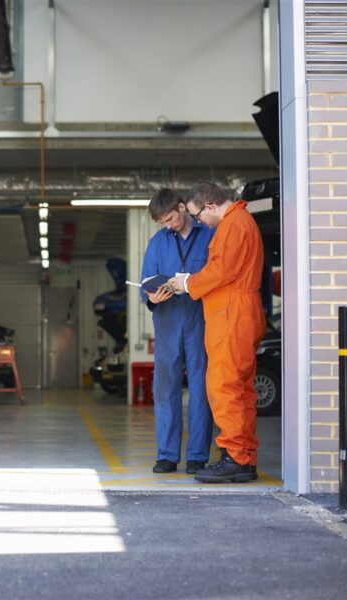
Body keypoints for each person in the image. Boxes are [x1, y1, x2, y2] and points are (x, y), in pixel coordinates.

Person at [169, 182, 266, 483]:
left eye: (198, 215)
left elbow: (221, 271)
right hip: (239, 311)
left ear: (210, 205)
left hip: (232, 315)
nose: (199, 221)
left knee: (223, 386)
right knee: (240, 389)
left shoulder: (233, 225)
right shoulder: (240, 221)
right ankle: (244, 457)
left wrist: (187, 283)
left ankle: (235, 457)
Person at [140, 188, 214, 475]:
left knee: (201, 388)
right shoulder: (157, 243)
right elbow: (146, 281)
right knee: (165, 389)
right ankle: (167, 455)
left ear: (182, 208)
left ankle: (197, 456)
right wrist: (151, 297)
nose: (167, 225)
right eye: (162, 222)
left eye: (170, 218)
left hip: (200, 319)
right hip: (168, 320)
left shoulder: (209, 235)